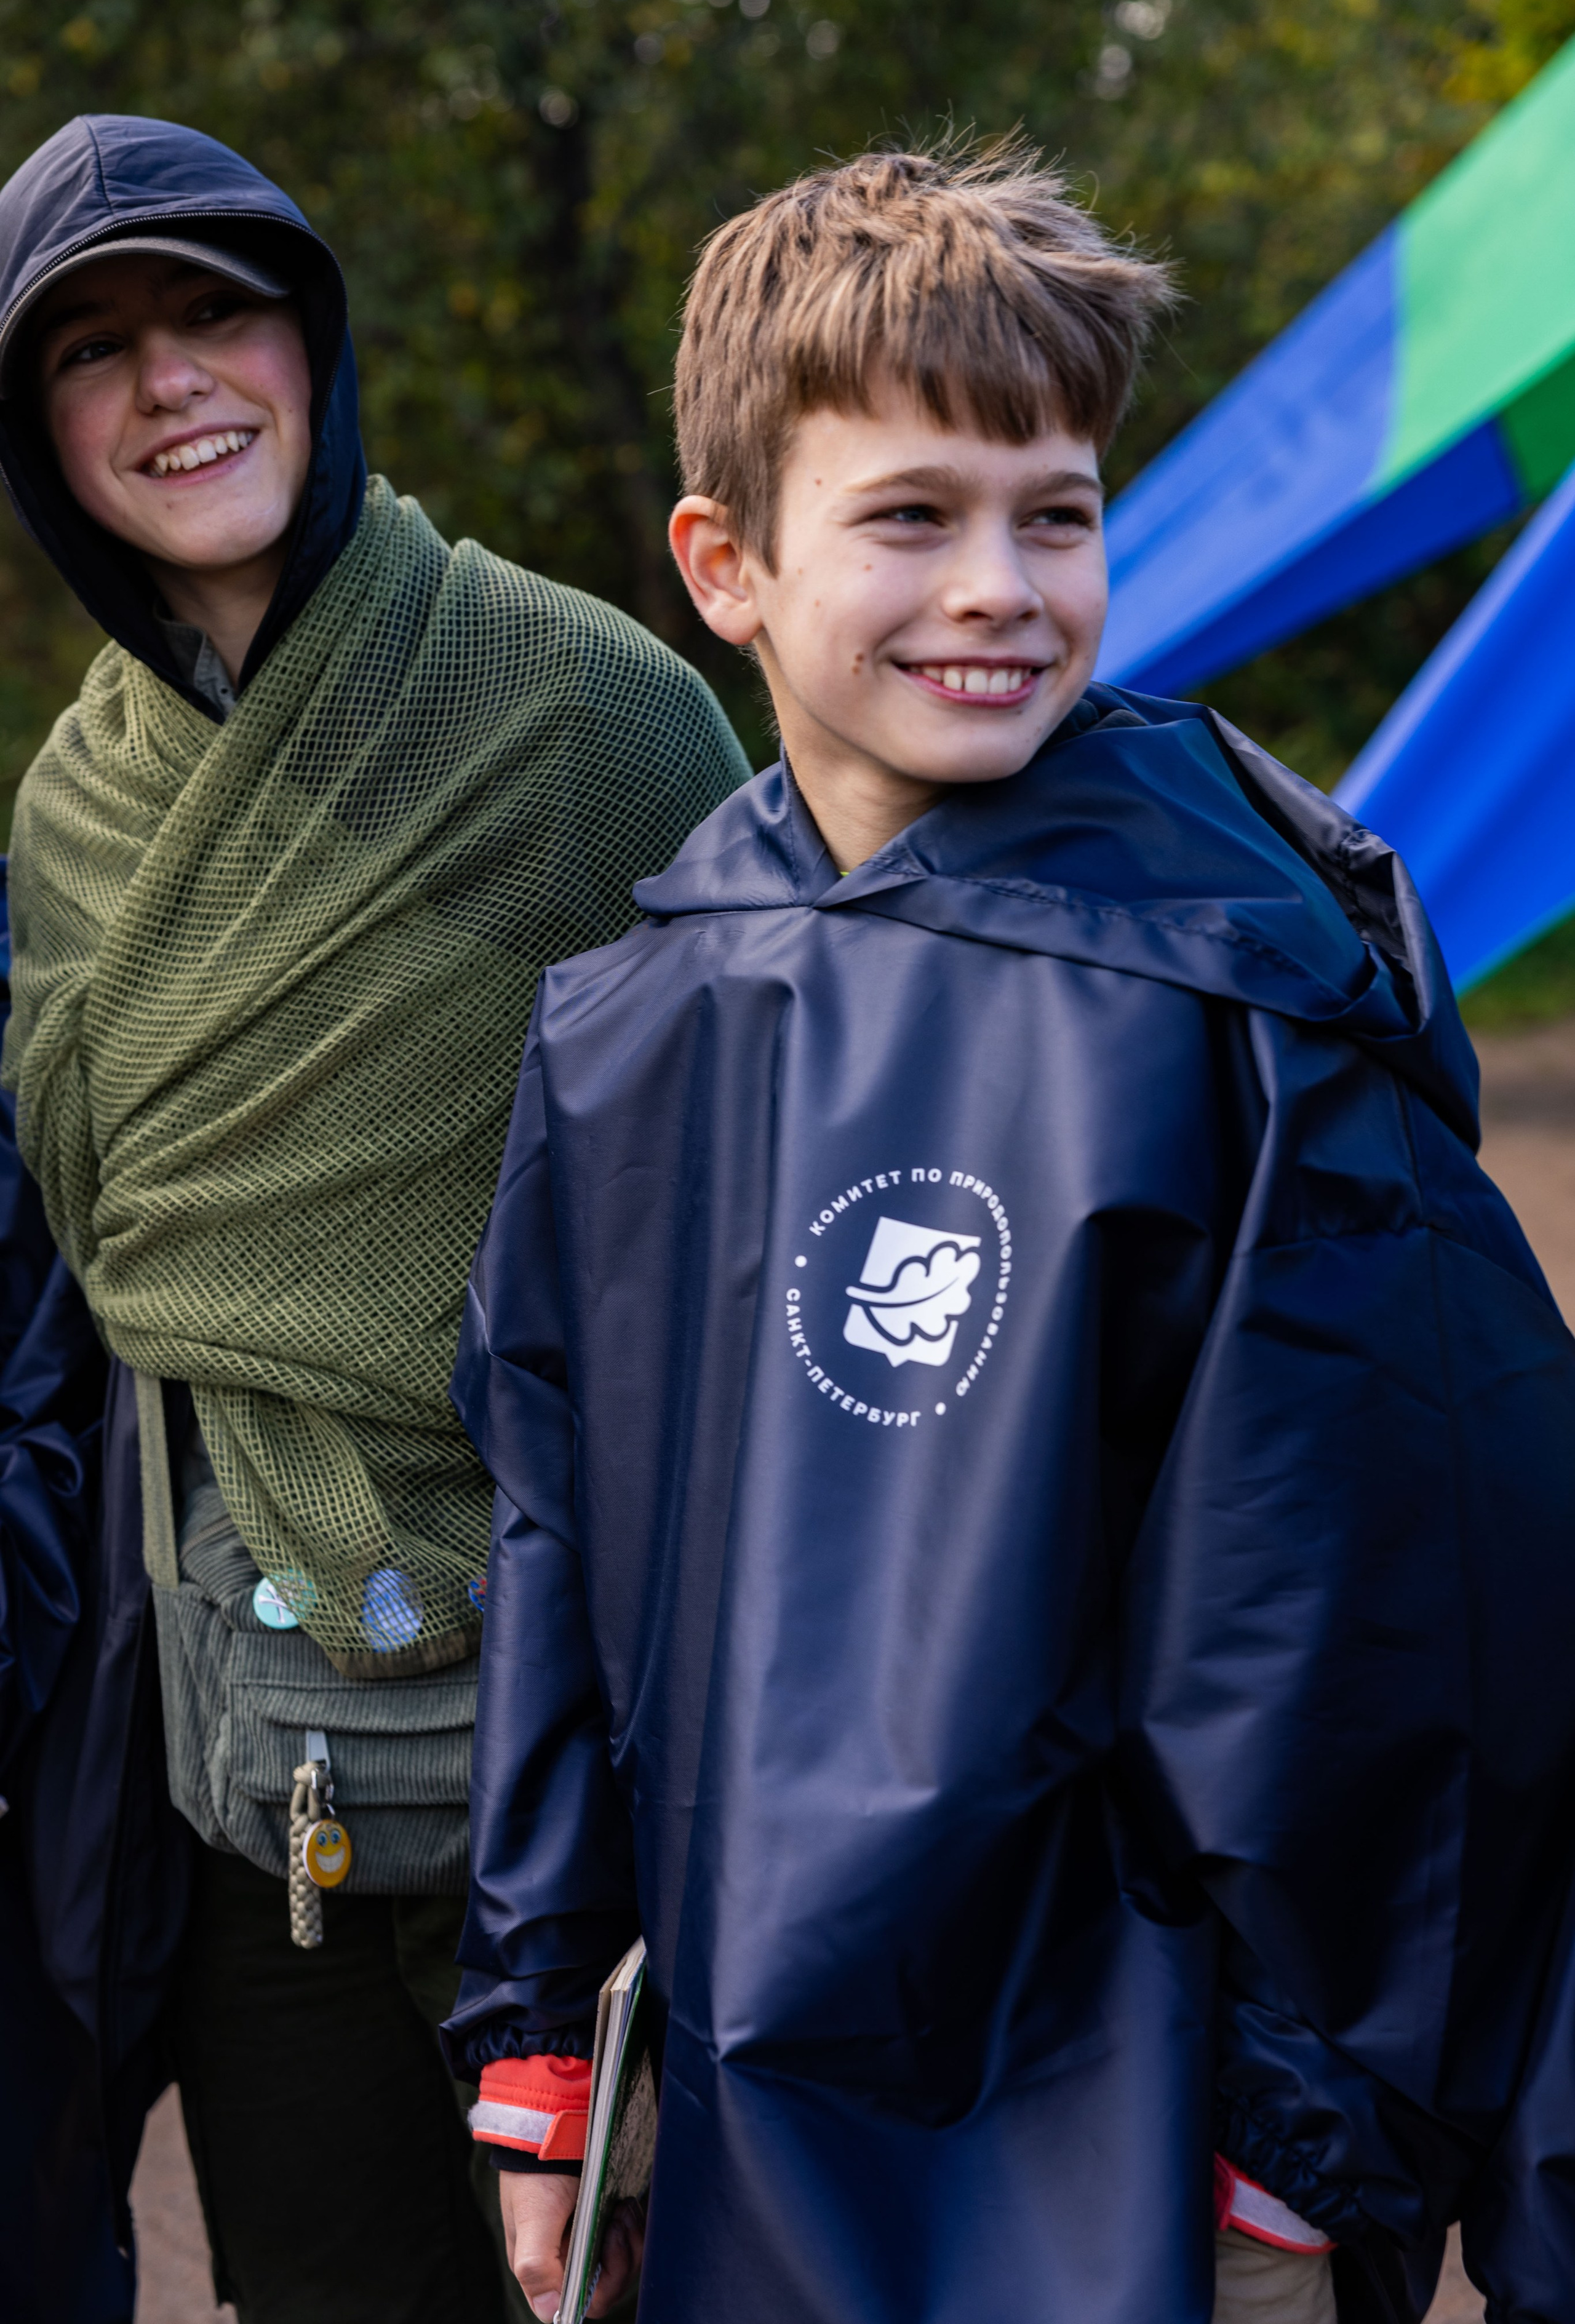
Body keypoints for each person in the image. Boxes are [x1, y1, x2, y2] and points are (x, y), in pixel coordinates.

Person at [442, 141, 1575, 2324]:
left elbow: (1399, 1612)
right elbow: (559, 1543)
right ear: (727, 564)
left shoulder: (1240, 991)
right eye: (911, 517)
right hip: (754, 2110)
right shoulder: (634, 1026)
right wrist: (545, 2041)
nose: (998, 588)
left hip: (1147, 2143)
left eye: (1056, 516)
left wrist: (1298, 2147)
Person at [0, 112, 748, 2323]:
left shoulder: (592, 714)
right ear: (40, 437)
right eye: (94, 348)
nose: (171, 382)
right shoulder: (72, 811)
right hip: (252, 1790)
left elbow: (749, 1209)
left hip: (593, 1753)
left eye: (214, 312)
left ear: (312, 344)